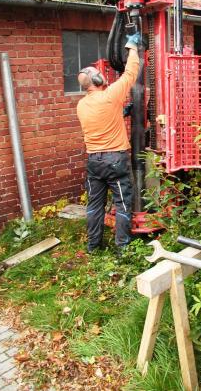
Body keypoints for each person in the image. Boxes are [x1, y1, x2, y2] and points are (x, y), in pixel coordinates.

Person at [76, 33, 141, 254]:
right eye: (98, 74)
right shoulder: (110, 95)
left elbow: (101, 119)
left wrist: (121, 113)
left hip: (94, 161)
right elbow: (131, 73)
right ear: (95, 81)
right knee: (122, 203)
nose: (102, 75)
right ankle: (122, 247)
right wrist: (132, 47)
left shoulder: (82, 105)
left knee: (94, 206)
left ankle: (93, 247)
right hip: (115, 160)